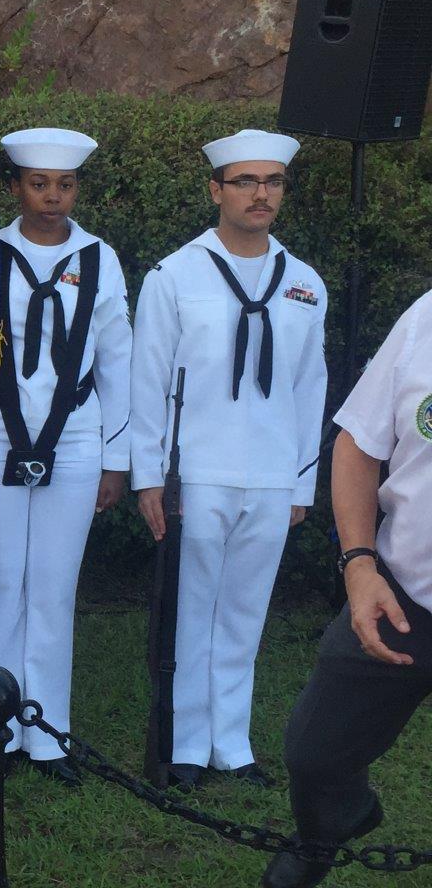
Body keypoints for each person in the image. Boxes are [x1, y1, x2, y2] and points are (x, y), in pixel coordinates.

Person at [130, 129, 328, 791]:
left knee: (244, 615)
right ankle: (185, 746)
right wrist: (148, 476)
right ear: (216, 189)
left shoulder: (303, 283)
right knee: (193, 610)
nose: (260, 193)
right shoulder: (174, 275)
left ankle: (232, 746)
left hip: (270, 476)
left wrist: (303, 478)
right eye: (245, 181)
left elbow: (310, 388)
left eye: (271, 181)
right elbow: (148, 381)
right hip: (198, 473)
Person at [0, 128, 132, 787]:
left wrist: (117, 458)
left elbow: (118, 363)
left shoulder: (100, 259)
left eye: (66, 185)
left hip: (75, 435)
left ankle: (47, 735)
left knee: (52, 585)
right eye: (39, 184)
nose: (53, 197)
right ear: (15, 187)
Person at [262, 292, 432, 888]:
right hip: (404, 592)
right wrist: (359, 566)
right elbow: (358, 445)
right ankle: (331, 823)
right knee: (315, 753)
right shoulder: (426, 317)